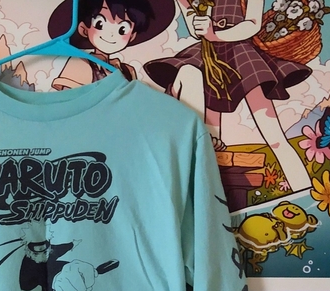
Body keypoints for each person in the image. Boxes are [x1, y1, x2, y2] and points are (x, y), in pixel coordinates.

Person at [144, 0, 312, 192]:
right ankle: (213, 199)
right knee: (212, 142)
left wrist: (215, 34)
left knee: (273, 134)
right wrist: (201, 26)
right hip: (209, 58)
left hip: (241, 55)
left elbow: (252, 24)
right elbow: (194, 27)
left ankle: (303, 187)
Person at [47, 0, 174, 89]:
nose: (111, 34)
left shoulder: (127, 70)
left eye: (122, 29)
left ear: (132, 36)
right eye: (100, 24)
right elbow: (70, 101)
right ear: (84, 29)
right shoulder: (81, 63)